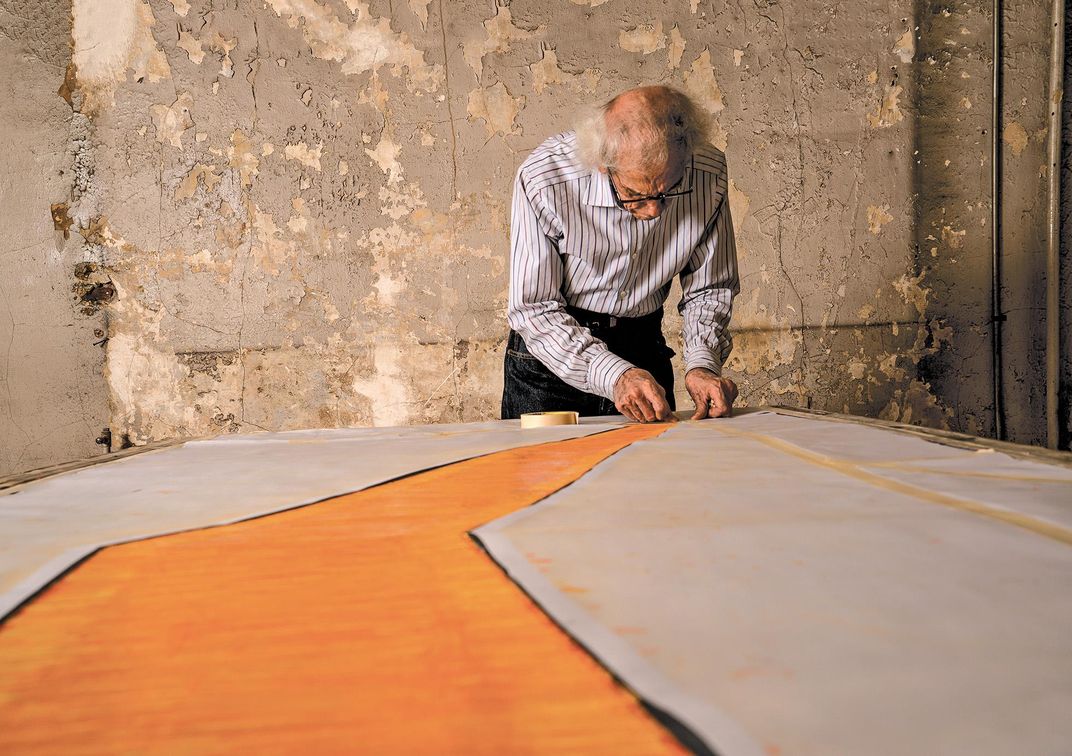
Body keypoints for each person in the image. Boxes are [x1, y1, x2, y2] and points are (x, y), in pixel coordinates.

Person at [501, 85, 740, 423]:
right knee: (544, 474)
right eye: (634, 194)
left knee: (647, 474)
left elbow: (710, 287)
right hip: (551, 358)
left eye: (669, 190)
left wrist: (702, 364)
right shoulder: (545, 178)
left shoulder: (707, 170)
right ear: (603, 165)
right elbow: (533, 308)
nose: (655, 211)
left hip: (644, 347)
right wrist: (615, 375)